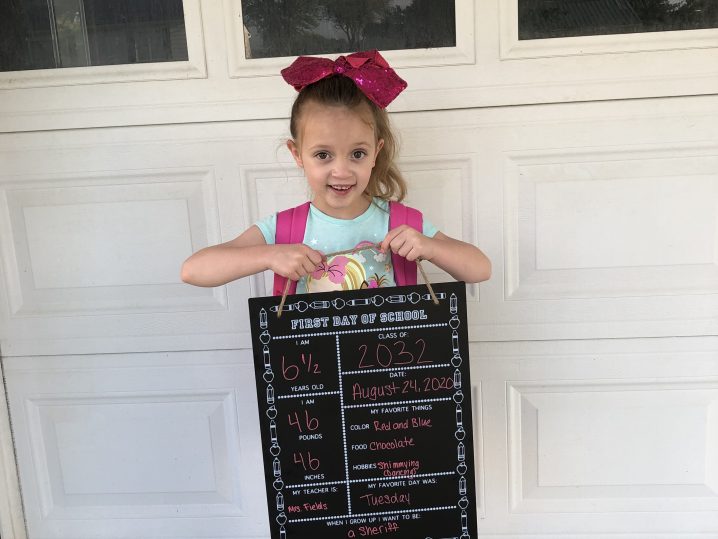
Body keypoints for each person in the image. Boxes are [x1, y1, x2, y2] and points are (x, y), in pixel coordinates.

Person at [181, 50, 491, 293]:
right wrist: (268, 255)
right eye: (323, 155)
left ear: (376, 152)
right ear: (297, 154)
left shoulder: (402, 224)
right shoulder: (284, 230)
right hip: (310, 358)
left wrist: (430, 247)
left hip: (390, 356)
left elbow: (480, 269)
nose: (341, 171)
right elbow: (193, 270)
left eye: (357, 154)